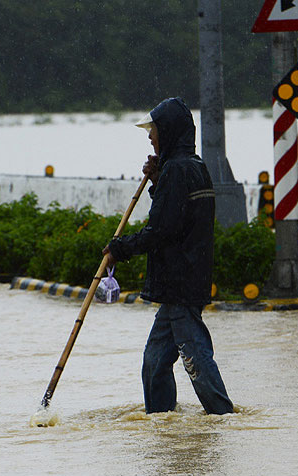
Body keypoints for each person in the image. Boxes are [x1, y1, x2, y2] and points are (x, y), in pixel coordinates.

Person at [102, 97, 234, 415]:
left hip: (181, 282)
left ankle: (222, 417)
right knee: (155, 361)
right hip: (184, 280)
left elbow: (162, 230)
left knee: (195, 357)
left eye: (155, 130)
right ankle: (160, 419)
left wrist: (120, 248)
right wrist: (158, 180)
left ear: (169, 131)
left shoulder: (178, 170)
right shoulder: (192, 167)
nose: (150, 137)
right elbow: (179, 215)